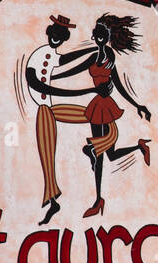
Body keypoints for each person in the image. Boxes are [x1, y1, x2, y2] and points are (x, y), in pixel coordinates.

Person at [47, 13, 152, 218]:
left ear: (106, 35)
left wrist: (137, 105)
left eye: (100, 33)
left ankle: (97, 198)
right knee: (108, 154)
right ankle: (139, 147)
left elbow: (118, 84)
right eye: (96, 32)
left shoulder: (109, 57)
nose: (96, 35)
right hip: (97, 105)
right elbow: (76, 69)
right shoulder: (96, 55)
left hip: (105, 106)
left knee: (102, 153)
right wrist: (52, 75)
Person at [25, 14, 102, 225]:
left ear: (64, 37)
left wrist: (92, 50)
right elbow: (38, 85)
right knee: (47, 155)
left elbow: (65, 60)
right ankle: (52, 200)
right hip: (45, 110)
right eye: (55, 34)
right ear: (50, 33)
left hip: (51, 108)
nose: (57, 38)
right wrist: (84, 90)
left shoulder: (51, 53)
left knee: (95, 114)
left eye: (61, 35)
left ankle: (97, 147)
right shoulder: (38, 55)